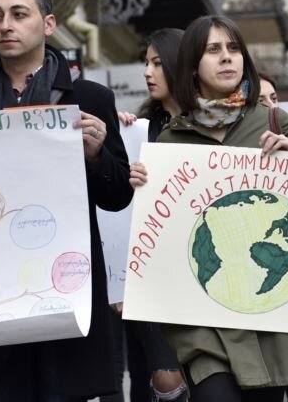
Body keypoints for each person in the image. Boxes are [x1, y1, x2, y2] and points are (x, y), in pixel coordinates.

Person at [0, 0, 133, 401]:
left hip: (65, 288)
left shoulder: (90, 99)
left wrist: (97, 155)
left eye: (18, 14)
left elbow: (118, 195)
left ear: (48, 24)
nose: (5, 25)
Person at [129, 15, 288, 402]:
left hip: (268, 316)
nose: (227, 58)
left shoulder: (274, 122)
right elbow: (163, 235)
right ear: (193, 64)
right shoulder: (170, 139)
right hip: (204, 320)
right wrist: (144, 189)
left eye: (233, 49)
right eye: (214, 50)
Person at [113, 28, 189, 402]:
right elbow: (117, 205)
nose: (147, 72)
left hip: (202, 271)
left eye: (157, 63)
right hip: (149, 275)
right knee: (164, 379)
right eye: (146, 63)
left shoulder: (213, 126)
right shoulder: (139, 129)